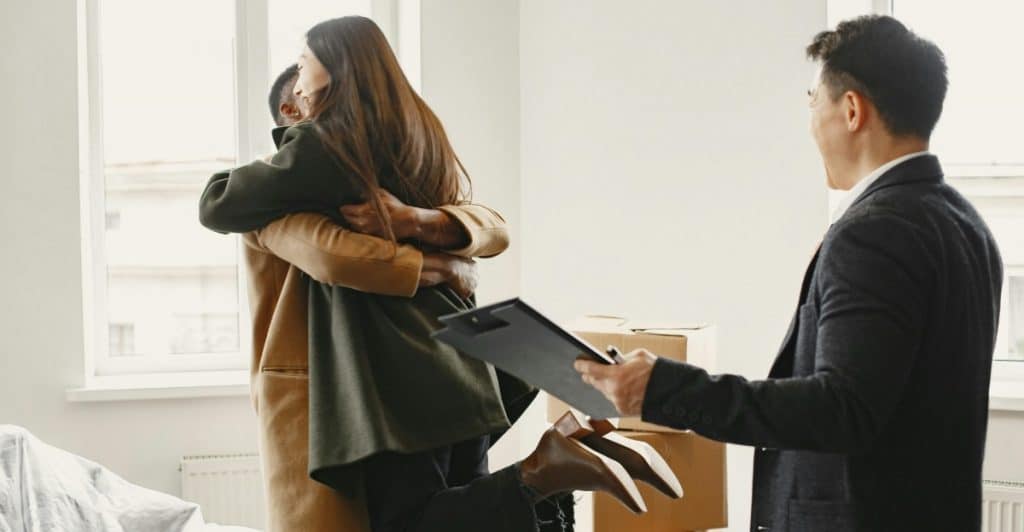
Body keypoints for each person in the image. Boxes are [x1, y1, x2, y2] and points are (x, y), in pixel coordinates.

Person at [200, 17, 632, 532]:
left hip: (395, 378)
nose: (298, 76)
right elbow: (491, 225)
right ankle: (553, 470)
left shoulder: (324, 144)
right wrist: (440, 248)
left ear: (333, 72)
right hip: (465, 362)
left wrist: (416, 244)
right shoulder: (416, 136)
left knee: (408, 522)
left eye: (304, 63)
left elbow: (219, 204)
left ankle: (544, 472)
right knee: (465, 505)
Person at [575, 15, 1003, 532]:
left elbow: (841, 409)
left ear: (851, 110)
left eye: (811, 101)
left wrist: (662, 388)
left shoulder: (874, 232)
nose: (809, 120)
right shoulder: (965, 224)